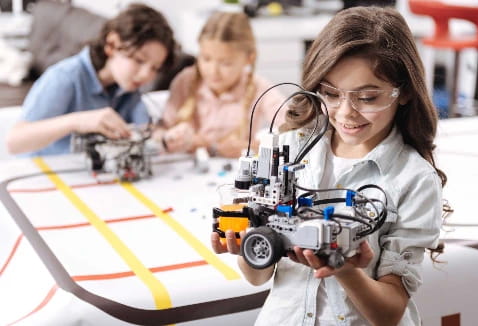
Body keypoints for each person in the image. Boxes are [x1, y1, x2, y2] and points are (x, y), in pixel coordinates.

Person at [211, 6, 447, 326]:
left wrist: (346, 268)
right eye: (331, 94)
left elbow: (389, 313)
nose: (346, 113)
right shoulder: (289, 148)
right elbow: (257, 277)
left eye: (366, 98)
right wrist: (247, 244)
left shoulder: (413, 179)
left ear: (403, 92)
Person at [6, 4, 176, 156]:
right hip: (44, 176)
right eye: (139, 60)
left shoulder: (128, 88)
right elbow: (14, 142)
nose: (146, 75)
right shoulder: (66, 77)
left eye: (155, 68)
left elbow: (146, 129)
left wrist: (166, 136)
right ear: (112, 44)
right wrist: (78, 121)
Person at [156, 11, 285, 158]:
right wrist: (169, 137)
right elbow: (158, 132)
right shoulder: (185, 81)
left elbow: (294, 129)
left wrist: (255, 146)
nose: (213, 71)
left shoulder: (259, 88)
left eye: (226, 63)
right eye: (206, 59)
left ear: (249, 59)